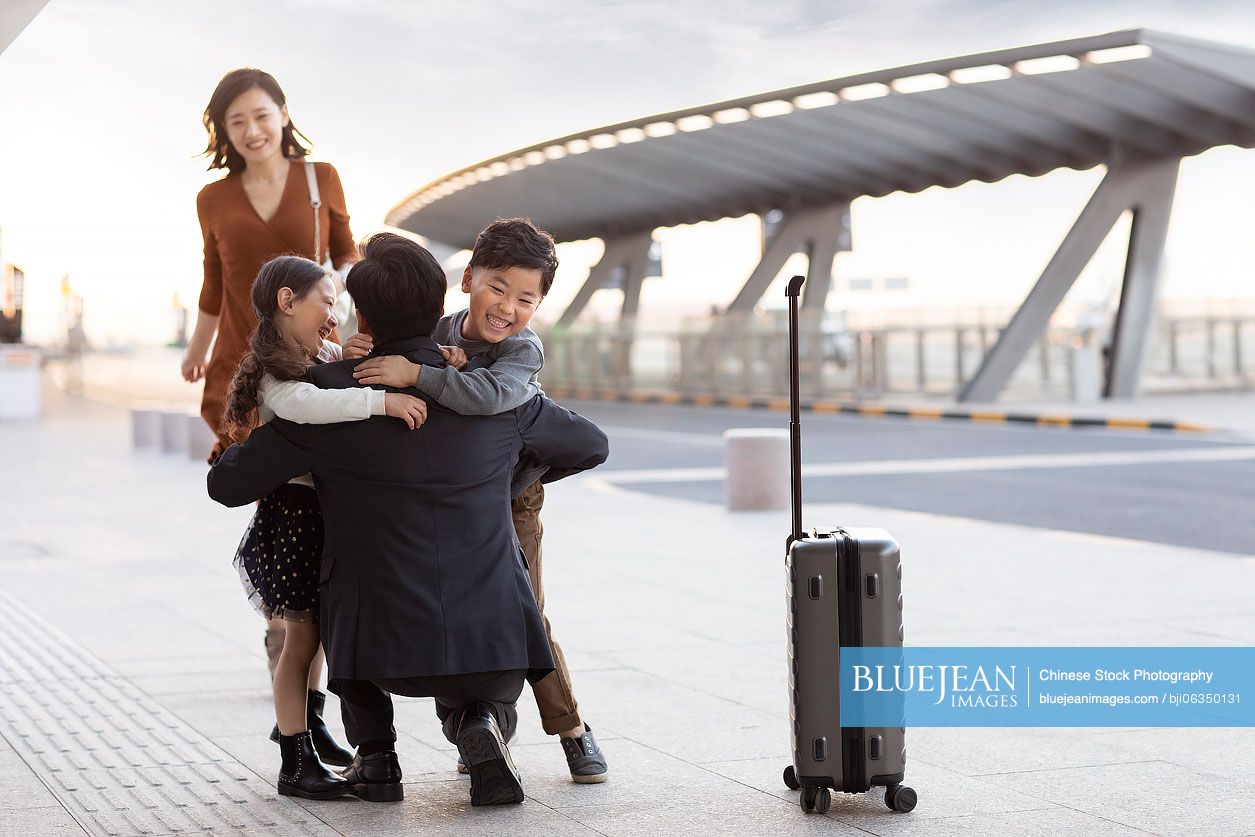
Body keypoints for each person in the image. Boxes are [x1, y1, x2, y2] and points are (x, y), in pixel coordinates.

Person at [206, 233, 609, 808]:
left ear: (362, 315)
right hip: (486, 637)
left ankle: (377, 759)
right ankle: (479, 716)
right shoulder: (503, 399)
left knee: (342, 577)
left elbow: (225, 485)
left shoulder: (329, 397)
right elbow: (592, 445)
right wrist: (500, 484)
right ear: (448, 297)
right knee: (495, 626)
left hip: (377, 640)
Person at [347, 218, 608, 782]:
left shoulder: (522, 351)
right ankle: (477, 729)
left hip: (513, 502)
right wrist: (361, 351)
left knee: (525, 616)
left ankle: (572, 733)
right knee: (455, 606)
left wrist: (418, 373)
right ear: (467, 279)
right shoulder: (436, 328)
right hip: (452, 500)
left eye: (525, 298)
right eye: (497, 287)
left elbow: (492, 398)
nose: (506, 308)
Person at [219, 255, 427, 799]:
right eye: (326, 303)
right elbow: (310, 404)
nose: (332, 317)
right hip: (295, 515)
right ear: (288, 301)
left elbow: (337, 367)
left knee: (314, 637)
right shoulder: (276, 373)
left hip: (319, 512)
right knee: (302, 639)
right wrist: (384, 401)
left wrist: (353, 353)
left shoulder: (317, 352)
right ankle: (295, 761)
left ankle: (307, 733)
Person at [181, 66, 358, 699]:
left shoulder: (321, 179)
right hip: (239, 368)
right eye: (237, 122)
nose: (252, 130)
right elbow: (213, 280)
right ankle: (284, 621)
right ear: (224, 133)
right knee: (273, 496)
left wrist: (368, 332)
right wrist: (197, 351)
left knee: (307, 494)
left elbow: (347, 259)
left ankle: (294, 622)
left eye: (261, 115)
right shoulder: (214, 199)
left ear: (282, 113)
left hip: (304, 360)